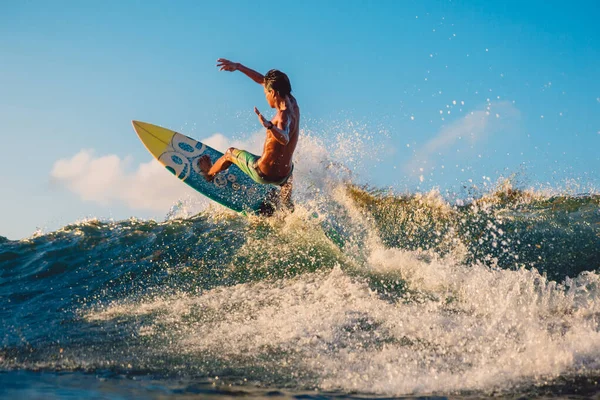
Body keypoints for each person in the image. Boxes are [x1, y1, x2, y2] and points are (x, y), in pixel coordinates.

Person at [198, 58, 299, 214]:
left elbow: (284, 137)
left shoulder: (282, 117)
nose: (265, 95)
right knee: (287, 180)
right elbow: (262, 81)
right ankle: (285, 208)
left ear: (273, 93)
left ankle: (209, 173)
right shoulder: (293, 104)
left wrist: (270, 126)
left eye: (267, 93)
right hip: (285, 176)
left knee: (230, 153)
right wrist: (238, 67)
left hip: (263, 173)